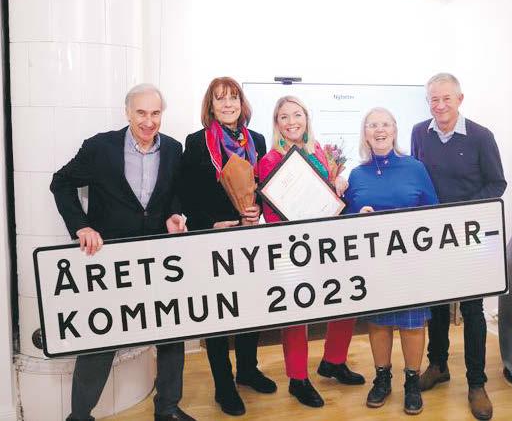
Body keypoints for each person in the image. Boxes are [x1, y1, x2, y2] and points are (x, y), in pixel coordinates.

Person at [50, 84, 194, 421]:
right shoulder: (100, 147)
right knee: (100, 341)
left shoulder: (173, 149)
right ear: (127, 112)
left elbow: (174, 193)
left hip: (158, 259)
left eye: (155, 113)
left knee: (171, 333)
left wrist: (175, 214)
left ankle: (168, 407)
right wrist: (81, 226)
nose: (148, 121)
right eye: (141, 113)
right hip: (111, 263)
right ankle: (79, 416)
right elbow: (61, 183)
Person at [411, 72, 507, 420]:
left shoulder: (481, 136)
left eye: (446, 99)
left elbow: (497, 183)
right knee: (436, 305)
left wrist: (461, 215)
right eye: (433, 100)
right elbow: (417, 178)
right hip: (432, 237)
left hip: (470, 235)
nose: (439, 106)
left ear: (460, 99)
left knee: (472, 310)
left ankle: (477, 383)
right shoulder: (419, 132)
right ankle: (438, 366)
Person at [258, 95, 365, 408]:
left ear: (306, 118)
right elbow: (271, 212)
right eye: (284, 117)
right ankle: (298, 379)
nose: (292, 122)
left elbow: (329, 192)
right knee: (297, 311)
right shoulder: (270, 160)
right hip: (294, 245)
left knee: (346, 297)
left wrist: (339, 181)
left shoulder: (318, 150)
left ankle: (334, 360)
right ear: (276, 123)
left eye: (297, 115)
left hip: (328, 240)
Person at [179, 77, 276, 416]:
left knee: (251, 307)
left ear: (241, 103)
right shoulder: (197, 143)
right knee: (219, 315)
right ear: (211, 106)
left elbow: (263, 186)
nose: (228, 104)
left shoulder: (257, 140)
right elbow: (185, 193)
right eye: (220, 99)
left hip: (248, 237)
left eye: (233, 97)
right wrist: (211, 223)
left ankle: (248, 370)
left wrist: (257, 209)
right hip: (213, 238)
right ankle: (224, 385)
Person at [345, 107, 438, 415]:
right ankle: (382, 379)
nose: (379, 130)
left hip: (411, 263)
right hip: (374, 265)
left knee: (413, 323)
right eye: (373, 125)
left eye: (385, 124)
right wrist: (357, 215)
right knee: (379, 323)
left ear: (395, 130)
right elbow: (344, 219)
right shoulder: (356, 174)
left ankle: (412, 383)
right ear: (365, 133)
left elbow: (434, 212)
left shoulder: (415, 168)